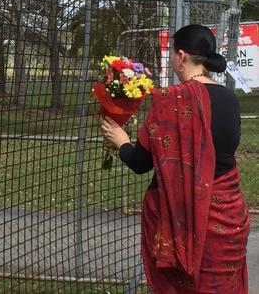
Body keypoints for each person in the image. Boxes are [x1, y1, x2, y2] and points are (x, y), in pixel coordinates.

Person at [100, 24, 250, 293]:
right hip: (229, 216)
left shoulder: (171, 100)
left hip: (186, 223)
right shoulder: (230, 98)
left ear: (181, 56)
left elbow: (140, 162)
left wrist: (120, 139)